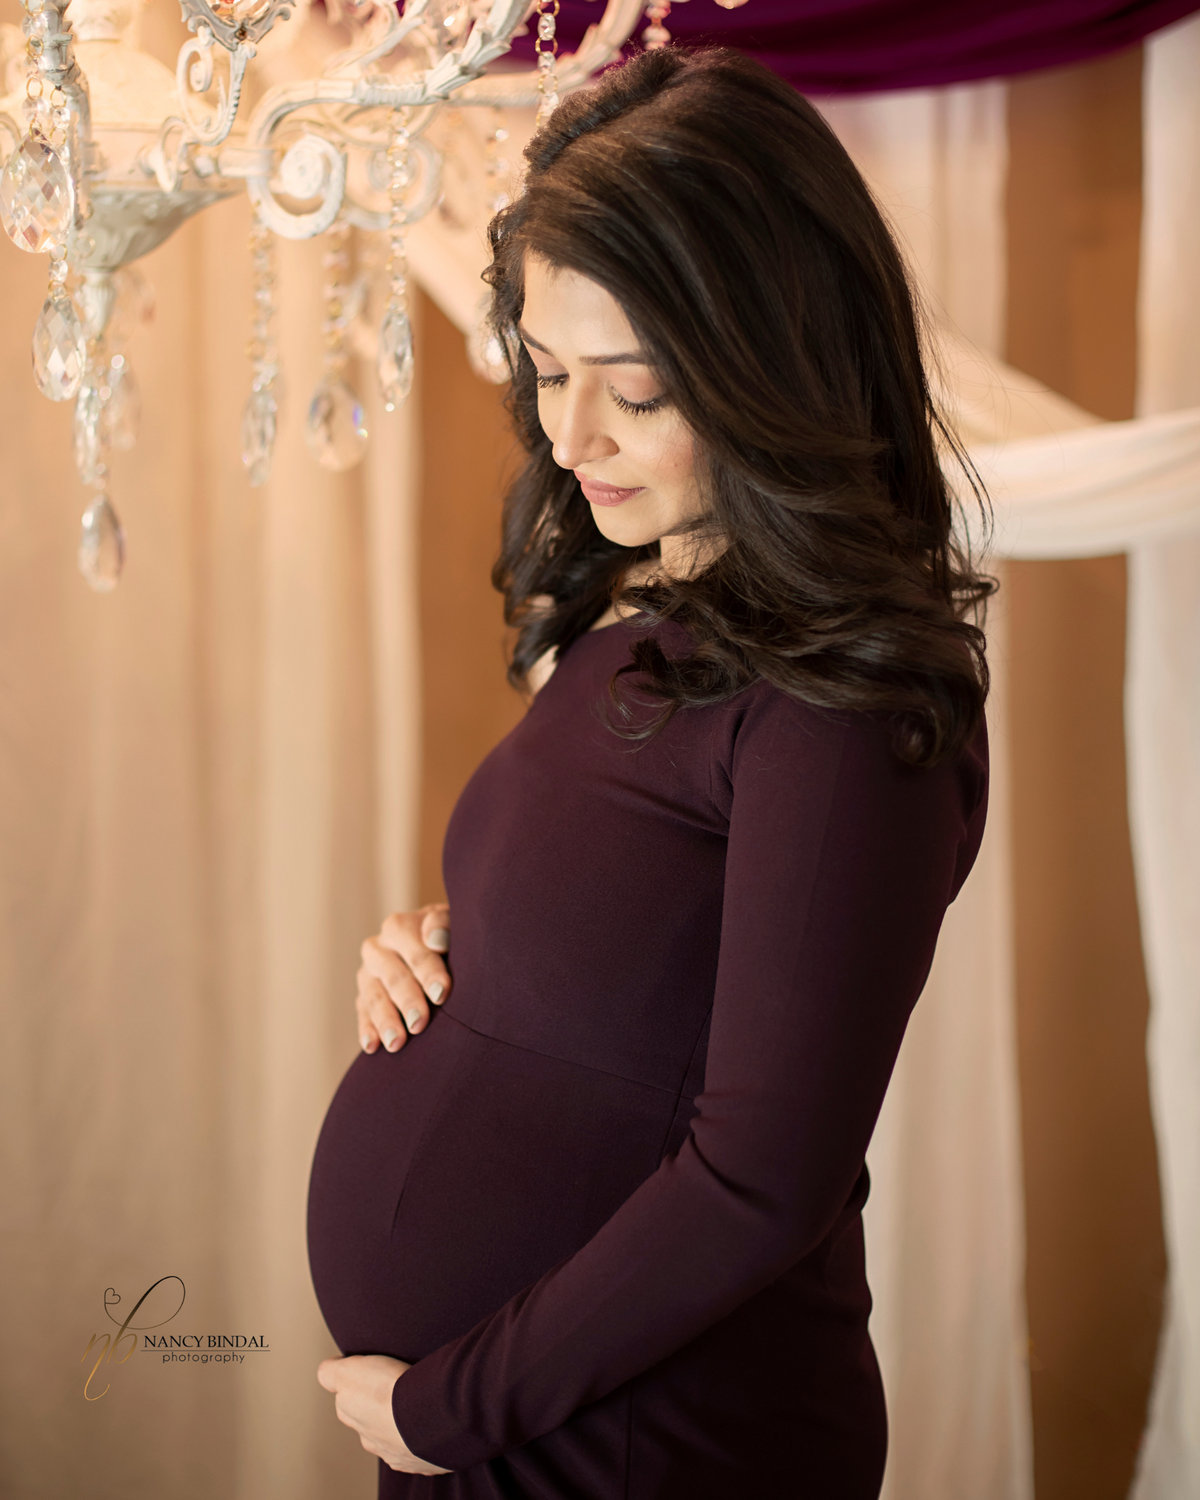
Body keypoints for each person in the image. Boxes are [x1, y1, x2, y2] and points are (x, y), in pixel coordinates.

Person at [307, 44, 992, 1499]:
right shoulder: (659, 622)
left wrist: (453, 1410)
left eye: (634, 389)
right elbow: (635, 977)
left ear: (771, 366)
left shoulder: (843, 709)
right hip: (523, 1425)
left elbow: (761, 1185)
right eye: (549, 371)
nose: (569, 436)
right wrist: (451, 960)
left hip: (641, 1444)